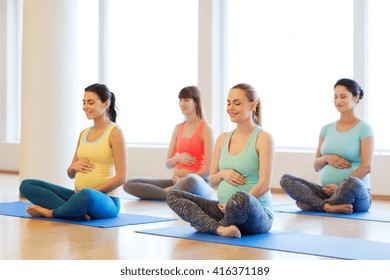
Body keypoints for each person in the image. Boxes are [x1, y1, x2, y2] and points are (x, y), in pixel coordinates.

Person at [167, 83, 274, 238]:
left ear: (253, 105)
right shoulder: (223, 138)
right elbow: (212, 181)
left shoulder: (264, 138)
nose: (231, 107)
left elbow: (264, 185)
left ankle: (207, 224)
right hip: (222, 209)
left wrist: (232, 206)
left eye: (237, 103)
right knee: (174, 195)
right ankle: (221, 229)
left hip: (254, 213)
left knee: (241, 197)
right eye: (228, 102)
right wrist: (223, 174)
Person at [19, 83, 127, 220]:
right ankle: (76, 212)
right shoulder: (84, 133)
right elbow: (70, 173)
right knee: (27, 185)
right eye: (84, 102)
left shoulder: (115, 132)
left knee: (86, 195)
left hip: (105, 200)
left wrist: (92, 192)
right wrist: (73, 167)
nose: (85, 107)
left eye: (91, 102)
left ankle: (52, 212)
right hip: (78, 195)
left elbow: (121, 177)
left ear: (106, 104)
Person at [280, 78, 374, 214]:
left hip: (356, 194)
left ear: (356, 97)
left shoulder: (364, 128)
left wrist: (339, 187)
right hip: (326, 191)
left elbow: (366, 167)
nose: (338, 101)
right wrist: (326, 158)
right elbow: (316, 166)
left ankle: (315, 205)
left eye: (343, 96)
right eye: (335, 96)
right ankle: (327, 206)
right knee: (286, 179)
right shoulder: (326, 129)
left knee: (352, 183)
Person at [123, 86, 214, 200]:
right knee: (130, 183)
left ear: (196, 102)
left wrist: (183, 180)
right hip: (175, 181)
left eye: (186, 100)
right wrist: (178, 158)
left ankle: (171, 192)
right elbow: (168, 163)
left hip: (198, 182)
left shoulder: (206, 129)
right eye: (180, 100)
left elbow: (209, 169)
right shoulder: (178, 128)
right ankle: (171, 194)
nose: (182, 103)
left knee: (191, 179)